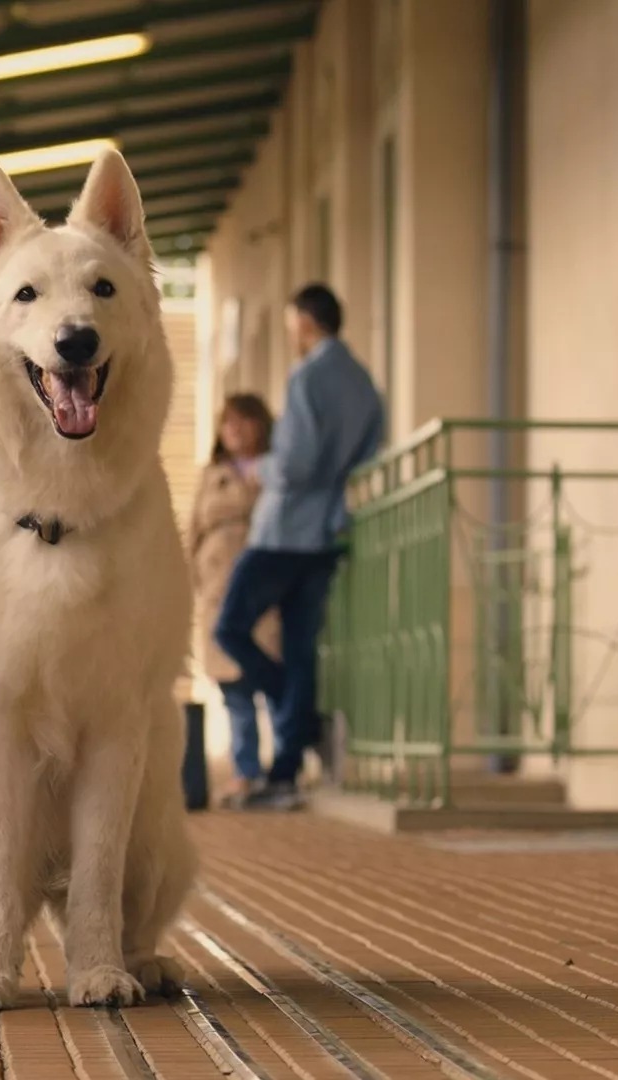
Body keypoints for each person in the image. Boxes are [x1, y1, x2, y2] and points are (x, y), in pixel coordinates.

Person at [214, 284, 384, 811]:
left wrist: (260, 468)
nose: (292, 337)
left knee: (230, 629)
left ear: (307, 324)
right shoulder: (364, 386)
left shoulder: (309, 376)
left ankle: (302, 720)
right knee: (300, 649)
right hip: (328, 532)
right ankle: (286, 770)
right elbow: (368, 453)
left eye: (292, 327)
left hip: (285, 529)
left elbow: (294, 465)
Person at [189, 394, 282, 805]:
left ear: (261, 425)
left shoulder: (275, 468)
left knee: (271, 680)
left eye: (243, 422)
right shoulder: (211, 475)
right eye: (228, 423)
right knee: (234, 691)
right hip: (216, 589)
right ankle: (246, 773)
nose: (235, 430)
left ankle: (282, 772)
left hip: (264, 590)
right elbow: (192, 529)